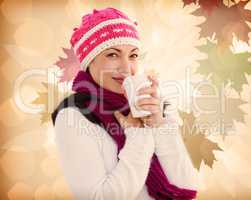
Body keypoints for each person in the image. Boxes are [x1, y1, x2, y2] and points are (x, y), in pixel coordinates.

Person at [52, 7, 200, 200]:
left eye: (133, 56)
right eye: (112, 55)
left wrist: (159, 126)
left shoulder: (155, 104)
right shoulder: (73, 115)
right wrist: (138, 134)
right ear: (90, 61)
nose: (126, 68)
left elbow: (186, 189)